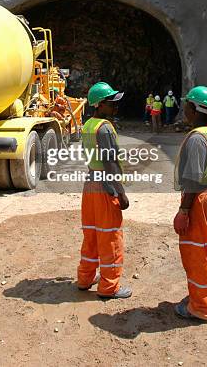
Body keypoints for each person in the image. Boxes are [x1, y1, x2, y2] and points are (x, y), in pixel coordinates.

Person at [173, 85, 207, 322]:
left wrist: (184, 210)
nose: (183, 109)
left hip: (200, 200)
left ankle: (200, 307)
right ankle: (202, 294)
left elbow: (193, 180)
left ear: (193, 108)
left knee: (195, 253)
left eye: (186, 105)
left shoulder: (196, 139)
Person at [77, 81, 132, 299]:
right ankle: (109, 287)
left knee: (91, 234)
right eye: (111, 103)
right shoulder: (105, 128)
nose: (115, 107)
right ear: (100, 105)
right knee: (110, 237)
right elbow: (110, 162)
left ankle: (85, 278)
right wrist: (121, 192)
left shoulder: (89, 125)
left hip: (90, 184)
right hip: (105, 187)